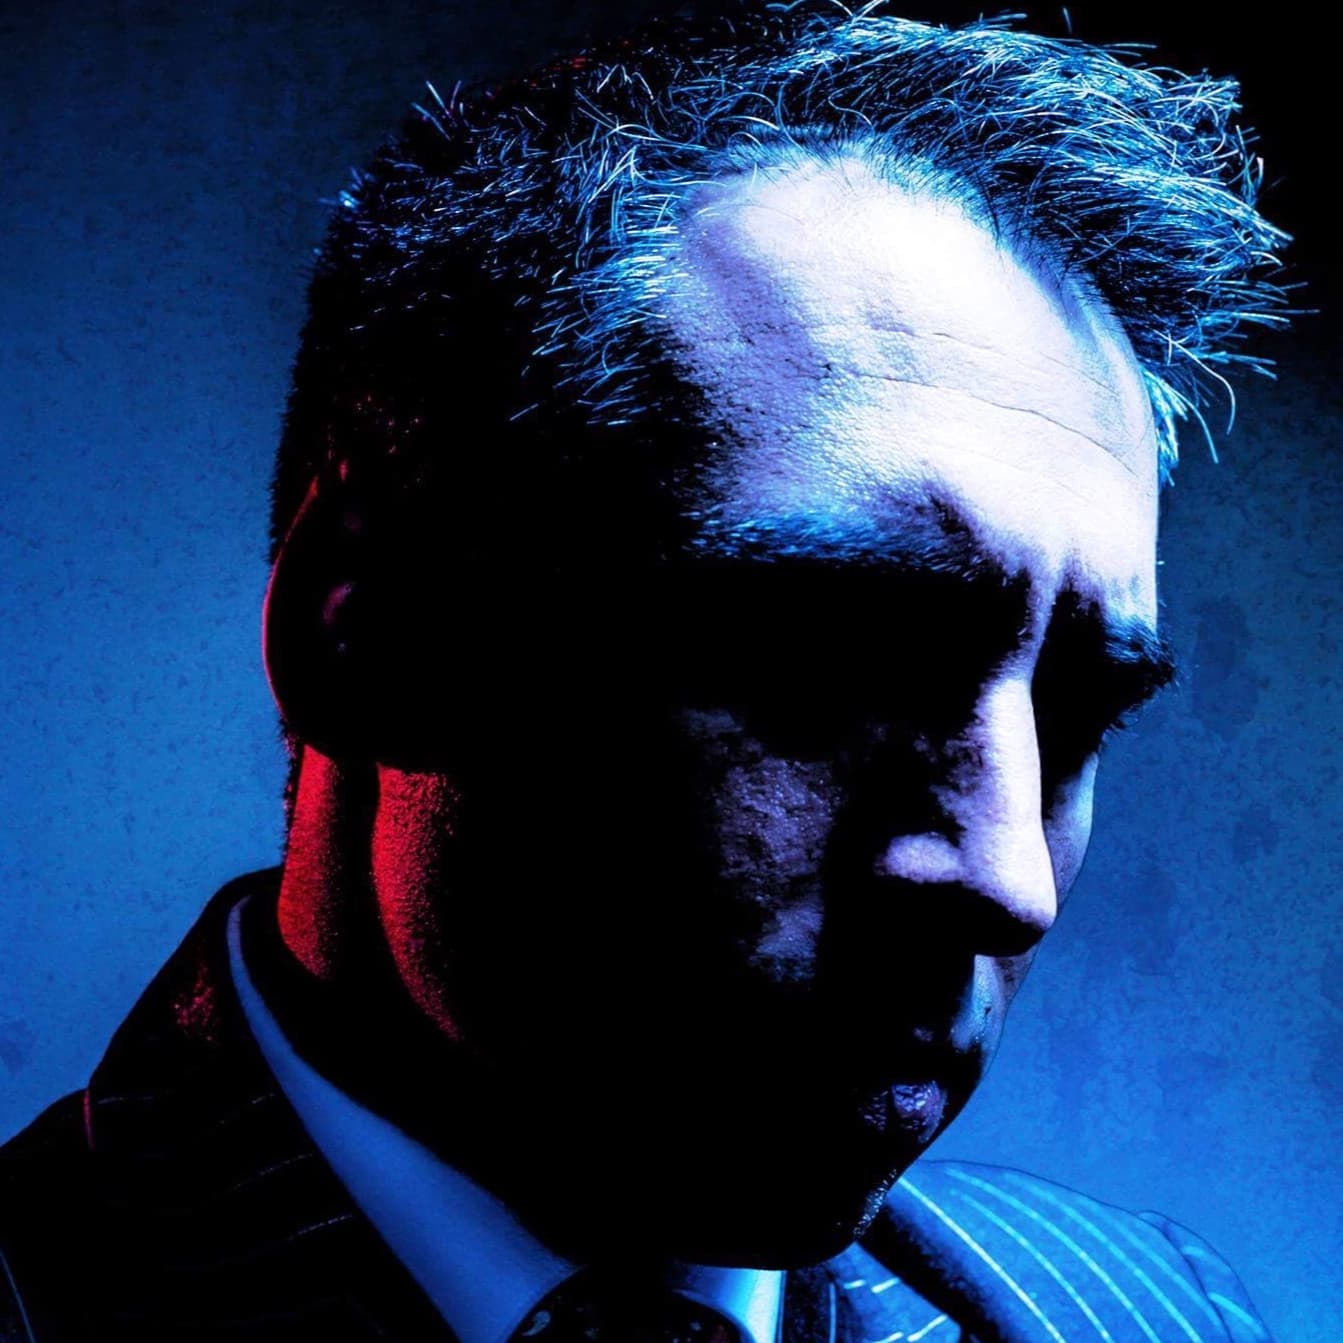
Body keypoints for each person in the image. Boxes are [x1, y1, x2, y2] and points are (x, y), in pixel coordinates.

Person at [0, 4, 1289, 1339]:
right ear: (371, 630)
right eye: (837, 657)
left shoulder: (1151, 1315)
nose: (1006, 882)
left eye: (1077, 716)